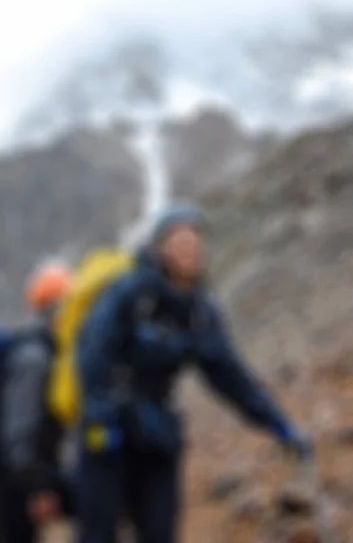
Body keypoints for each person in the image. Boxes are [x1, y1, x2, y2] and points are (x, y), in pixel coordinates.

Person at [76, 202, 313, 543]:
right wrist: (100, 419)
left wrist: (279, 425)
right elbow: (93, 353)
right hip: (108, 433)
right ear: (161, 248)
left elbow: (231, 377)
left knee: (160, 532)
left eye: (195, 242)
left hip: (157, 431)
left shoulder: (200, 312)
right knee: (98, 533)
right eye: (180, 241)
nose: (190, 250)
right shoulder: (129, 293)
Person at [0, 263, 74, 543]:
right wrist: (37, 488)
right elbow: (20, 430)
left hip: (8, 474)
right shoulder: (35, 359)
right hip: (10, 478)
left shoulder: (38, 353)